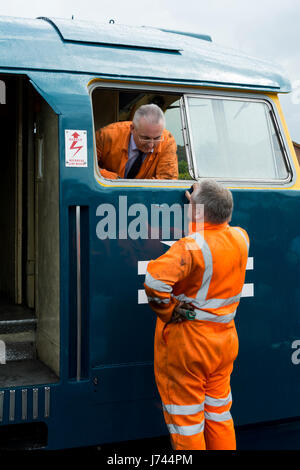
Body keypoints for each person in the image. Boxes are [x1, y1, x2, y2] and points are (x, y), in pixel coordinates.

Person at [144, 179, 249, 450]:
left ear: (199, 212)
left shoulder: (191, 247)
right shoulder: (241, 237)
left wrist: (167, 311)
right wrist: (202, 203)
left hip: (191, 344)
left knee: (187, 422)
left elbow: (155, 283)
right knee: (219, 414)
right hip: (225, 342)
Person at [95, 103, 178, 180]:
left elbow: (167, 181)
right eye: (145, 138)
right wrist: (114, 180)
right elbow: (85, 166)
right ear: (132, 128)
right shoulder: (106, 136)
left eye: (157, 138)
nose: (151, 145)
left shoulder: (167, 142)